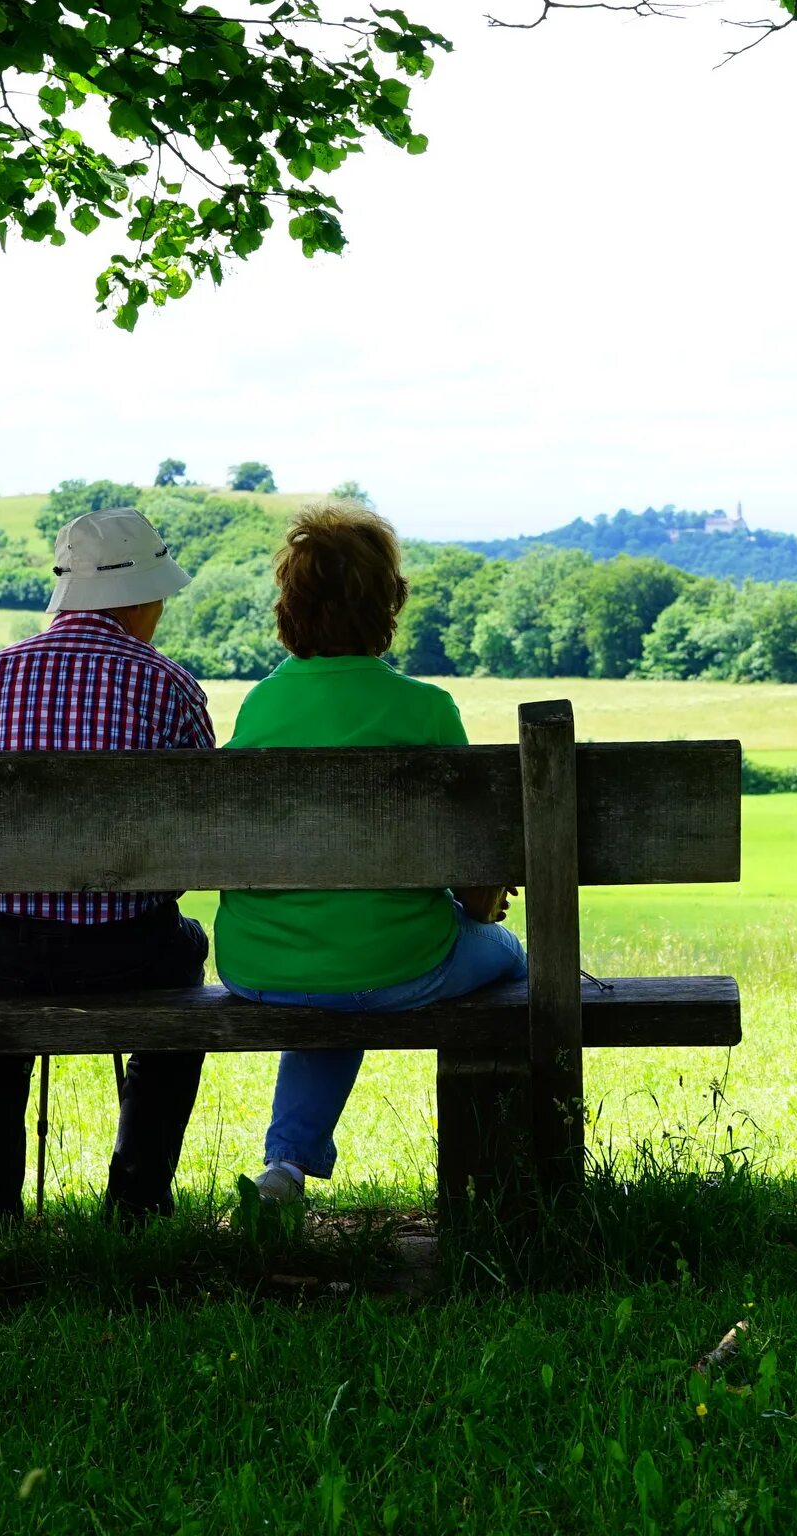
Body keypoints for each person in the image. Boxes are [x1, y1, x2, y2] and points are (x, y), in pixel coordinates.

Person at [213, 500, 524, 1203]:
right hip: (398, 964)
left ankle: (285, 1169)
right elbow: (477, 865)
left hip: (262, 963)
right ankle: (500, 1178)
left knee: (332, 981)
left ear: (288, 607)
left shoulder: (260, 707)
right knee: (511, 959)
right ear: (388, 603)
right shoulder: (426, 710)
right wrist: (482, 903)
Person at [0, 505, 211, 1224]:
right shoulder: (169, 687)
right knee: (185, 959)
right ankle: (139, 1197)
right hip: (130, 954)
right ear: (142, 598)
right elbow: (204, 836)